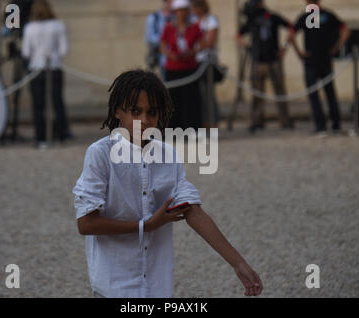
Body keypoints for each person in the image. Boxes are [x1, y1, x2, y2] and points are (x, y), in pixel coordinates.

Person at [73, 69, 263, 298]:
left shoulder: (167, 156)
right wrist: (146, 226)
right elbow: (86, 223)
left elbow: (192, 210)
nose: (144, 120)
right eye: (135, 111)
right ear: (118, 111)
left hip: (157, 286)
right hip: (113, 286)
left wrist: (238, 264)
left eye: (151, 112)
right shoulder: (99, 154)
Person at [291, 0, 350, 135]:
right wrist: (336, 48)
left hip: (311, 60)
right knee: (330, 93)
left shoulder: (305, 16)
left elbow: (291, 35)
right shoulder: (328, 15)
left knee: (314, 95)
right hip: (325, 59)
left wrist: (299, 52)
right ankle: (336, 124)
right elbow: (346, 31)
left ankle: (321, 125)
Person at [237, 0, 294, 133]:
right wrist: (247, 47)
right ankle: (257, 120)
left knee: (280, 91)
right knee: (257, 93)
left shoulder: (272, 17)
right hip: (257, 60)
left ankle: (285, 120)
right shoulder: (252, 19)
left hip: (273, 59)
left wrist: (284, 48)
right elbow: (239, 34)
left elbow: (291, 28)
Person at [21, 0, 72, 148]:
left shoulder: (30, 28)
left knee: (38, 105)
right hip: (54, 67)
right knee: (57, 102)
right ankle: (61, 134)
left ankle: (41, 137)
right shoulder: (58, 25)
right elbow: (64, 50)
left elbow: (26, 52)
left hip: (36, 68)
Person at [160, 0, 203, 130]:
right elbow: (162, 45)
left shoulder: (194, 27)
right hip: (173, 68)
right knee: (173, 100)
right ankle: (174, 129)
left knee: (191, 101)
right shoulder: (169, 27)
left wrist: (192, 52)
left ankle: (191, 129)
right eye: (178, 11)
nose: (181, 14)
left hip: (190, 68)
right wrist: (170, 55)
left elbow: (202, 43)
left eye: (183, 10)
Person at [191, 0, 221, 129]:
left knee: (207, 94)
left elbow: (209, 42)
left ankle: (212, 122)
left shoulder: (211, 20)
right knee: (197, 95)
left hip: (206, 61)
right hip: (194, 61)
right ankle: (202, 123)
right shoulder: (192, 21)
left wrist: (191, 50)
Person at [144, 0, 173, 79]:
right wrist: (166, 40)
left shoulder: (177, 18)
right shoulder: (154, 17)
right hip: (160, 60)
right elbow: (149, 38)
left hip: (175, 61)